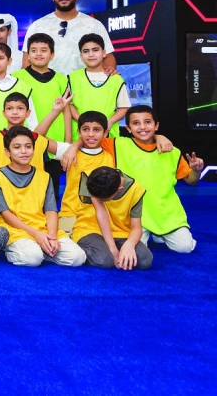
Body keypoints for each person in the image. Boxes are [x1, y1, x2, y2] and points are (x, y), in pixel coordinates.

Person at [0, 126, 86, 267]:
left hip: (42, 226)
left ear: (34, 150)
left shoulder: (44, 177)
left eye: (28, 147)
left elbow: (51, 210)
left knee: (78, 258)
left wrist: (52, 236)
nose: (23, 151)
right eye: (17, 147)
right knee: (32, 258)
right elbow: (5, 215)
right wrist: (36, 235)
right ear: (7, 152)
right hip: (14, 228)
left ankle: (44, 248)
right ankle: (29, 249)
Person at [112, 105, 203, 253]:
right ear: (128, 128)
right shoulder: (118, 145)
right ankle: (153, 234)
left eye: (147, 122)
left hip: (166, 214)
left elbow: (191, 181)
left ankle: (161, 234)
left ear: (156, 125)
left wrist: (196, 170)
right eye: (136, 123)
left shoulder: (172, 151)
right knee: (136, 251)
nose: (142, 127)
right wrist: (73, 146)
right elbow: (90, 139)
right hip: (134, 216)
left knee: (185, 248)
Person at [23, 0, 116, 75]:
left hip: (84, 86)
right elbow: (26, 61)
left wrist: (107, 74)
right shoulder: (38, 26)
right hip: (46, 87)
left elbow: (108, 57)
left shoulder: (94, 25)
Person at [74, 165, 153, 270]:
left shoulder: (136, 190)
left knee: (145, 260)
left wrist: (129, 245)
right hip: (90, 229)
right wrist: (113, 250)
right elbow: (101, 213)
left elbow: (136, 228)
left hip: (121, 232)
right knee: (105, 261)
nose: (98, 199)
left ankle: (105, 249)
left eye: (103, 200)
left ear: (119, 189)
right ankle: (79, 249)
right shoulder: (91, 178)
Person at [13, 33, 69, 172]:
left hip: (54, 144)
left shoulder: (61, 80)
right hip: (26, 143)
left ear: (52, 55)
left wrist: (67, 144)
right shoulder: (16, 78)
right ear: (28, 55)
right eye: (33, 50)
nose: (38, 54)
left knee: (52, 189)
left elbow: (66, 111)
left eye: (43, 50)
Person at [66, 34, 130, 139]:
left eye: (95, 50)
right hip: (79, 137)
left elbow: (123, 107)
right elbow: (69, 105)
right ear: (81, 56)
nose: (91, 54)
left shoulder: (116, 79)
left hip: (108, 136)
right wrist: (82, 122)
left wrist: (109, 123)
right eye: (86, 51)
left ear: (104, 53)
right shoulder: (72, 78)